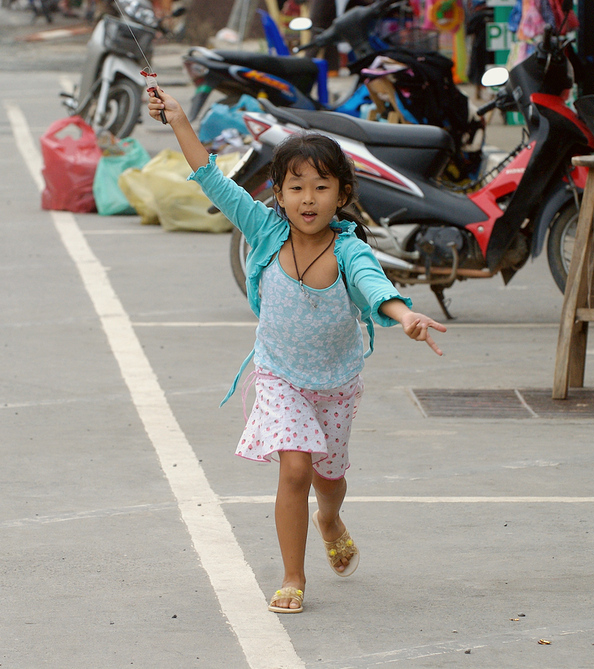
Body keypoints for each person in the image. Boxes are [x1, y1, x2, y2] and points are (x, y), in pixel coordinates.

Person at [148, 90, 446, 614]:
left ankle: (329, 521)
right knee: (294, 469)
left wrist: (407, 317)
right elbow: (213, 179)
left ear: (342, 194)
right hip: (279, 376)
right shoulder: (265, 231)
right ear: (278, 195)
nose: (308, 199)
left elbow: (376, 288)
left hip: (336, 385)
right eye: (296, 187)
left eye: (321, 187)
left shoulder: (349, 249)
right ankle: (292, 576)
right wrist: (178, 120)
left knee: (329, 478)